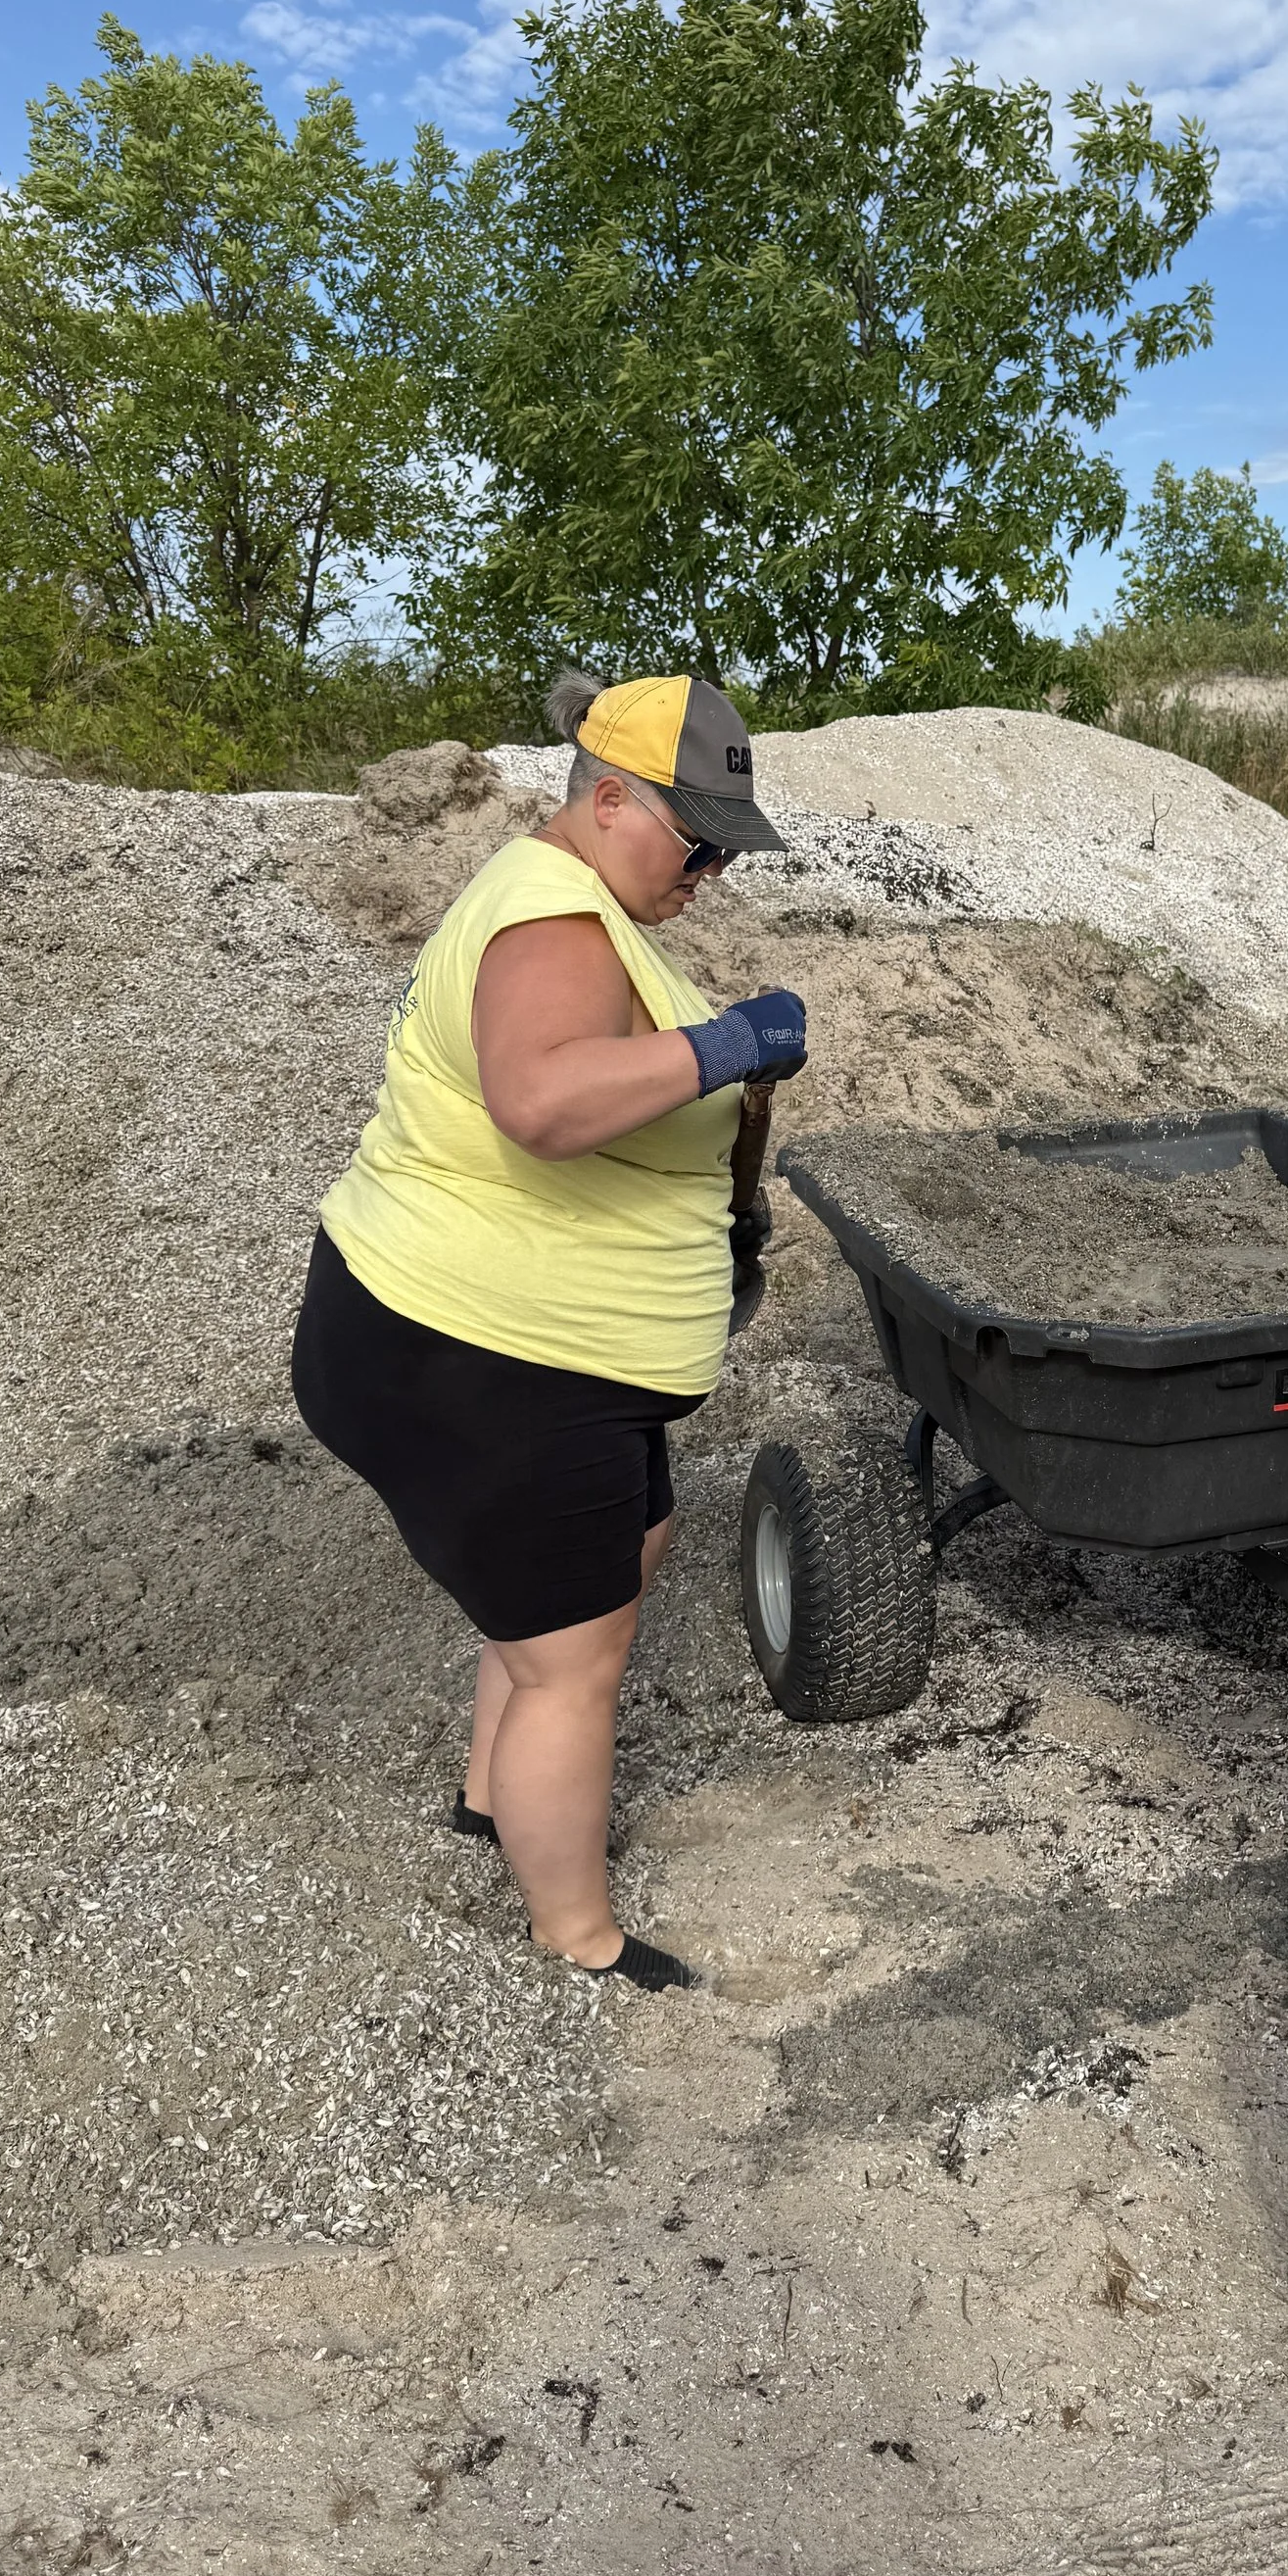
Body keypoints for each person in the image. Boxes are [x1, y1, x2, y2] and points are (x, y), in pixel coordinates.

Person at [292, 669, 807, 1993]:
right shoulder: (552, 915)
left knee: (619, 1552)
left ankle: (488, 1796)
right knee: (573, 1668)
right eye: (695, 844)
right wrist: (736, 1042)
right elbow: (542, 1097)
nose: (710, 874)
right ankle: (575, 1934)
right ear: (611, 798)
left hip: (515, 1355)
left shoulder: (578, 896)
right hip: (483, 1363)